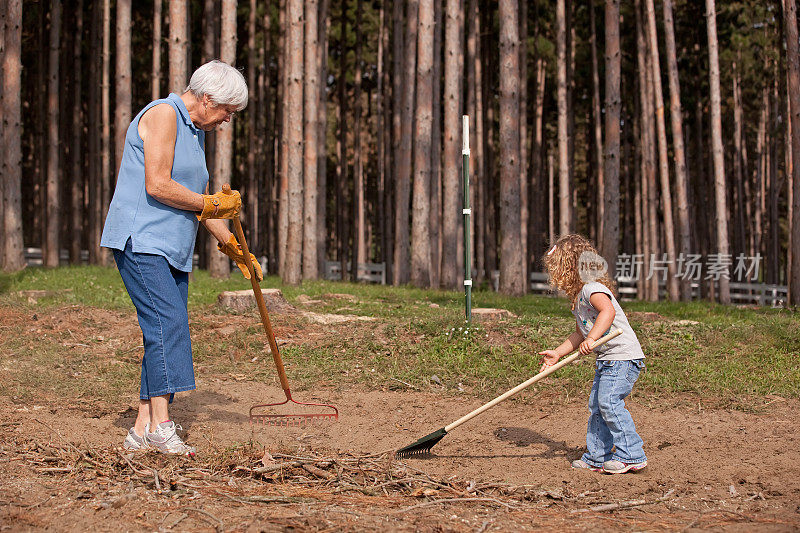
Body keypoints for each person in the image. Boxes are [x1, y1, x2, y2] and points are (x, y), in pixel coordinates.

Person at [101, 60, 262, 455]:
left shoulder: (195, 130)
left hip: (173, 246)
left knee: (162, 328)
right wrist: (211, 203)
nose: (227, 120)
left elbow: (199, 204)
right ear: (207, 99)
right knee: (167, 325)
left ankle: (140, 429)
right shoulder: (162, 115)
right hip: (141, 240)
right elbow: (157, 184)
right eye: (227, 111)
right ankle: (162, 425)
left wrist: (231, 247)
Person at [538, 234, 648, 474]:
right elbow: (580, 333)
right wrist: (558, 352)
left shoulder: (593, 289)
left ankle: (632, 454)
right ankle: (597, 457)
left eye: (556, 268)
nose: (553, 275)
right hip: (608, 359)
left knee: (608, 402)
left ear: (570, 266)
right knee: (598, 406)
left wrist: (592, 339)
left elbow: (607, 313)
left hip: (623, 357)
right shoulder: (579, 298)